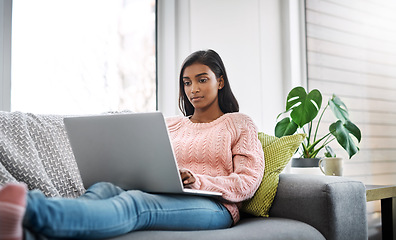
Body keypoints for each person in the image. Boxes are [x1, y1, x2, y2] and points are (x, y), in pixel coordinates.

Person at [0, 49, 265, 240]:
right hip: (166, 192)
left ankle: (28, 207)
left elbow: (247, 182)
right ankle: (26, 232)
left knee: (137, 204)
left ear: (220, 81)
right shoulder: (172, 124)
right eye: (187, 82)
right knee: (103, 187)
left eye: (201, 79)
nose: (193, 88)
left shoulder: (239, 123)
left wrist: (197, 180)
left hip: (216, 206)